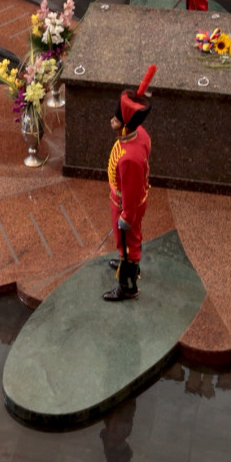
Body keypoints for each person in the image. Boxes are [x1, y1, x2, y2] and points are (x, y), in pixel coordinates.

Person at [104, 66, 156, 302]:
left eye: (116, 119)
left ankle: (128, 285)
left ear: (125, 125)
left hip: (126, 204)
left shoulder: (129, 159)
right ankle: (127, 260)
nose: (112, 121)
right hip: (129, 198)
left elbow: (131, 191)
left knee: (128, 244)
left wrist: (126, 215)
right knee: (128, 240)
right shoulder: (139, 133)